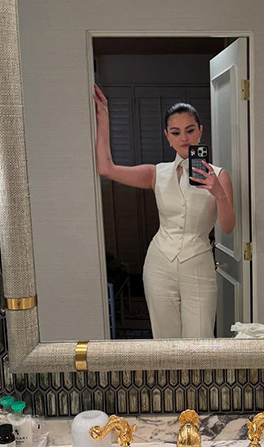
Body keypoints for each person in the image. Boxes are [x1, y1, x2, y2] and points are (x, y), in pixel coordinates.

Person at [93, 85, 235, 339]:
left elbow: (227, 226)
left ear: (200, 131)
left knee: (200, 339)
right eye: (176, 132)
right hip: (159, 263)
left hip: (198, 264)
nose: (184, 138)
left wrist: (217, 192)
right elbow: (106, 168)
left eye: (190, 130)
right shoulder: (156, 173)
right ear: (167, 136)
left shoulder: (220, 175)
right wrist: (104, 117)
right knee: (165, 341)